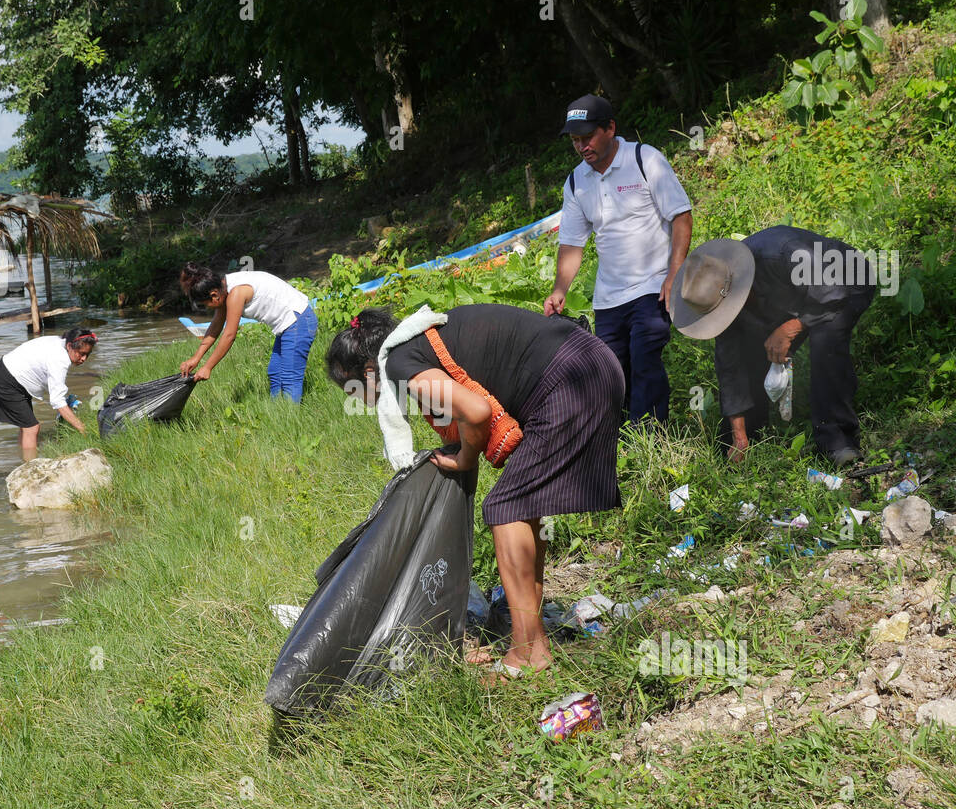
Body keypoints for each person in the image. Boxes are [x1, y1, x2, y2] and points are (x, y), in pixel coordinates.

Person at [326, 303, 623, 678]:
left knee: (506, 508)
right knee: (522, 504)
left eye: (352, 387)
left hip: (571, 379)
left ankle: (527, 651)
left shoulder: (400, 363)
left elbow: (476, 410)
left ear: (369, 371)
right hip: (592, 365)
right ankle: (533, 639)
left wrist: (467, 457)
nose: (356, 398)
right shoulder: (418, 342)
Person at [669, 226, 877, 465]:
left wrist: (792, 328)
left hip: (844, 283)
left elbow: (833, 293)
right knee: (749, 353)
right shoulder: (715, 297)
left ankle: (839, 442)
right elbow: (731, 369)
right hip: (793, 302)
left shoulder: (781, 254)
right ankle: (748, 441)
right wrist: (738, 435)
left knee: (826, 341)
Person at [545, 93, 693, 425]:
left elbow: (681, 216)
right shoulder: (576, 182)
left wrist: (674, 274)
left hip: (652, 286)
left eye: (588, 137)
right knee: (611, 371)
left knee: (645, 358)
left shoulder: (645, 159)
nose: (582, 146)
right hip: (608, 297)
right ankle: (619, 440)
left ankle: (650, 438)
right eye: (575, 140)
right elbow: (571, 244)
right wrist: (559, 290)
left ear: (610, 128)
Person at [178, 263, 318, 402]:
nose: (207, 308)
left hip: (298, 320)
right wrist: (196, 358)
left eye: (205, 304)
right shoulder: (223, 288)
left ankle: (290, 419)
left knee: (289, 377)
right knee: (275, 373)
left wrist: (208, 367)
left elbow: (229, 335)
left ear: (214, 295)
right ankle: (279, 412)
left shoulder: (236, 293)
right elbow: (216, 326)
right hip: (288, 324)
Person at [0, 327, 96, 460]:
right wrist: (83, 428)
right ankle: (31, 469)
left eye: (88, 354)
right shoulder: (60, 359)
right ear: (70, 346)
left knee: (26, 426)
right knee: (32, 428)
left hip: (11, 373)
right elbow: (57, 401)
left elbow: (56, 390)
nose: (83, 359)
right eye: (81, 353)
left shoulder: (61, 343)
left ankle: (23, 460)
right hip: (8, 379)